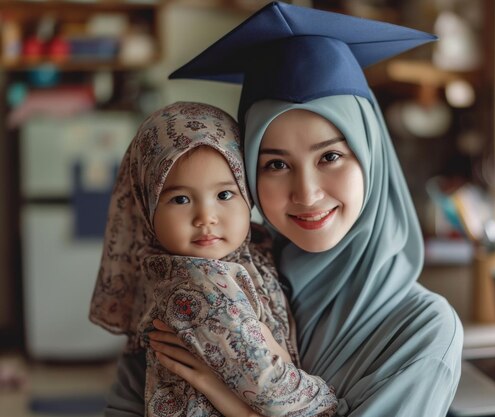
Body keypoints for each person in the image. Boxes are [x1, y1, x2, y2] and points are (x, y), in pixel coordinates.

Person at [105, 3, 464, 416]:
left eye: (330, 156)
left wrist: (219, 389)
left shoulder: (422, 330)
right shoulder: (219, 275)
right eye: (275, 164)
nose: (307, 193)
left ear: (371, 157)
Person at [89, 101, 337, 417]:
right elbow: (270, 388)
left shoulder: (253, 252)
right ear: (148, 207)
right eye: (180, 199)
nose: (206, 217)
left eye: (224, 195)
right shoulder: (198, 283)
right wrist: (327, 400)